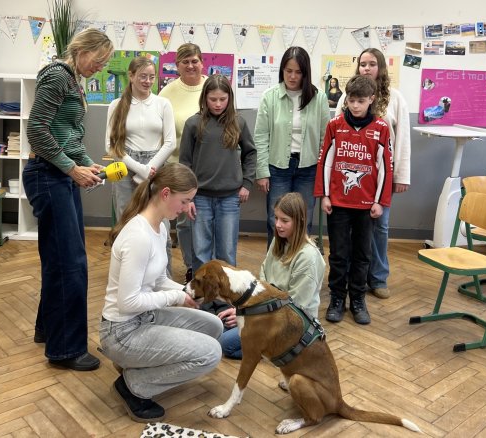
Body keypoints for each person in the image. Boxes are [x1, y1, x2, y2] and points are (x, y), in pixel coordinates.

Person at [100, 163, 223, 422]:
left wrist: (183, 291)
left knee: (213, 327)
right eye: (185, 200)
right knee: (211, 353)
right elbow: (127, 302)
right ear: (165, 193)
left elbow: (158, 280)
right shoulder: (139, 236)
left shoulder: (161, 226)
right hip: (121, 332)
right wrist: (177, 297)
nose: (187, 207)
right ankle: (134, 385)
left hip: (146, 317)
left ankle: (136, 365)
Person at [23, 28, 113, 371]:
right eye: (99, 60)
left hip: (57, 173)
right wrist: (71, 169)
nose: (100, 68)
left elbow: (64, 131)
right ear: (82, 50)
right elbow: (37, 129)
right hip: (49, 176)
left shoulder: (70, 78)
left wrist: (82, 162)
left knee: (59, 259)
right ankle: (66, 350)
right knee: (70, 263)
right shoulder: (58, 76)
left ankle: (48, 330)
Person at [335, 47, 412, 300]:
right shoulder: (345, 98)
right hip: (352, 176)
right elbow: (336, 136)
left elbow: (402, 141)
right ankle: (346, 277)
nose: (366, 68)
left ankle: (377, 278)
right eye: (362, 64)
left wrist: (401, 175)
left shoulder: (395, 99)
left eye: (372, 64)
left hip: (381, 178)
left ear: (380, 68)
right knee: (348, 230)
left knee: (380, 227)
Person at [317, 75, 393, 325]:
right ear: (345, 99)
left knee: (362, 255)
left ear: (371, 100)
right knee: (338, 254)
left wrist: (380, 201)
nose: (356, 106)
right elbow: (326, 162)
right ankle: (337, 298)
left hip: (366, 205)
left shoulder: (381, 128)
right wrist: (325, 195)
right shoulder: (334, 126)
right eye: (351, 100)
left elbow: (384, 168)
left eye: (361, 101)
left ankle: (358, 299)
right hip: (338, 203)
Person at [214, 192, 326, 359]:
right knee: (219, 325)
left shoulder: (308, 257)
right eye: (276, 218)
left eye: (285, 221)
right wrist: (241, 309)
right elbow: (262, 284)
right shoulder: (279, 240)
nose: (278, 225)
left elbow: (294, 306)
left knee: (225, 344)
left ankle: (276, 349)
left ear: (300, 221)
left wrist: (247, 315)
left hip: (288, 322)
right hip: (268, 311)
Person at [254, 46, 331, 247]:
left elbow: (326, 138)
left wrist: (323, 174)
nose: (293, 76)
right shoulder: (270, 97)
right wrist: (262, 171)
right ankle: (276, 267)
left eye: (298, 72)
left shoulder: (319, 97)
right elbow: (261, 136)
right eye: (288, 71)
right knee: (276, 220)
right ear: (282, 70)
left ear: (305, 73)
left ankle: (299, 267)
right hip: (278, 167)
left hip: (309, 168)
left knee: (303, 220)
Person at [180, 75, 256, 269]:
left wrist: (247, 183)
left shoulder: (238, 122)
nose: (218, 104)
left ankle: (224, 298)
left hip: (230, 198)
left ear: (229, 98)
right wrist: (187, 199)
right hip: (200, 198)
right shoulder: (193, 124)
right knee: (200, 251)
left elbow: (250, 153)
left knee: (227, 252)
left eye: (223, 99)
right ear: (205, 98)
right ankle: (204, 297)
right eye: (213, 99)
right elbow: (185, 164)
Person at [158, 43, 207, 282]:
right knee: (185, 222)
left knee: (205, 218)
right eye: (185, 61)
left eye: (194, 60)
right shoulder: (167, 92)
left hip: (209, 168)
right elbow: (159, 131)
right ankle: (191, 266)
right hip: (178, 168)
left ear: (202, 63)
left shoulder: (212, 87)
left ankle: (208, 266)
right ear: (177, 65)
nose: (190, 65)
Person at [105, 57, 176, 220]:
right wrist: (140, 169)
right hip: (125, 165)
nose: (148, 81)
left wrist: (149, 168)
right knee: (125, 215)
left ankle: (160, 247)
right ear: (131, 76)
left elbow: (170, 143)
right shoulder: (116, 105)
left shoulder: (163, 104)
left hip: (155, 165)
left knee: (158, 216)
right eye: (143, 76)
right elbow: (110, 145)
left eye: (152, 77)